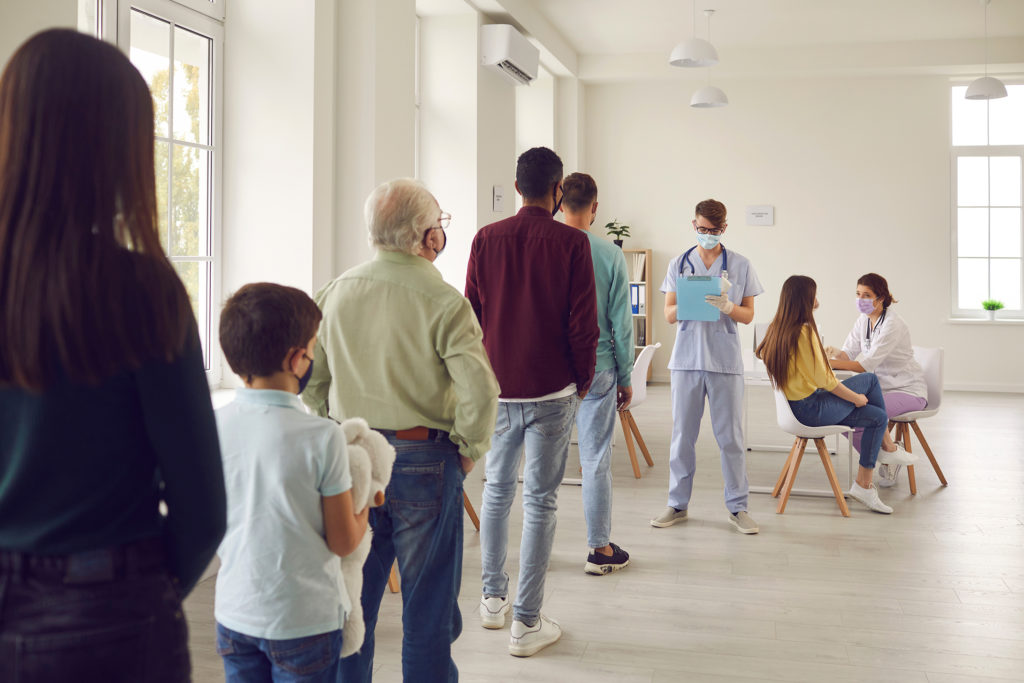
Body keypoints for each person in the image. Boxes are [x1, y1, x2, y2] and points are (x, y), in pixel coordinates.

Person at [0, 30, 226, 682]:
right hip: (110, 611)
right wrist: (138, 596)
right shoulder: (143, 291)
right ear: (113, 150)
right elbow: (203, 510)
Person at [304, 178, 500, 681]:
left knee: (354, 608)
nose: (442, 232)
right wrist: (468, 449)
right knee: (428, 612)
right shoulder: (444, 301)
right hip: (424, 461)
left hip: (354, 462)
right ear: (423, 236)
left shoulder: (334, 293)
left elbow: (313, 382)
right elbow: (480, 391)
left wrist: (337, 429)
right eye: (439, 223)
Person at [467, 146, 599, 657]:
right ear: (558, 189)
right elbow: (581, 322)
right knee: (541, 501)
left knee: (497, 491)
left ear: (517, 186)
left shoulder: (484, 239)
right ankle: (526, 623)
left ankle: (492, 600)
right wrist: (583, 379)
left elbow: (471, 318)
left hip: (498, 389)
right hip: (552, 390)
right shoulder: (572, 243)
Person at [214, 283, 370, 682]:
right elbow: (343, 541)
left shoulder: (213, 426)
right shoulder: (323, 437)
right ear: (297, 359)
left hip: (234, 614)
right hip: (306, 622)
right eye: (314, 347)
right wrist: (367, 495)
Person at [650, 199, 762, 534]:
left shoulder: (740, 265)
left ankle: (738, 508)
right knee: (683, 436)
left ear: (724, 228)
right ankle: (677, 504)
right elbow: (668, 314)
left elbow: (749, 314)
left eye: (713, 231)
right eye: (702, 230)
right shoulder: (678, 264)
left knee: (730, 437)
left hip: (724, 362)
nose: (707, 235)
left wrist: (728, 306)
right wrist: (689, 303)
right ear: (694, 225)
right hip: (686, 360)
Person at [756, 275, 898, 514]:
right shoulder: (804, 331)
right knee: (871, 383)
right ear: (805, 299)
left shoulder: (777, 329)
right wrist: (856, 398)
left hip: (795, 409)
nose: (817, 300)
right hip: (810, 411)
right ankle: (882, 459)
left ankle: (872, 472)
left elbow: (767, 356)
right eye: (814, 295)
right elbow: (826, 381)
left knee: (877, 416)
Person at [559, 172, 634, 575]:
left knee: (543, 466)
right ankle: (598, 549)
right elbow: (622, 322)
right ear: (595, 207)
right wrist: (626, 375)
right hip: (600, 369)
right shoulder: (609, 253)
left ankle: (538, 550)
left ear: (559, 201)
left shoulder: (546, 247)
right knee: (596, 460)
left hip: (551, 372)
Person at [826, 273, 923, 486]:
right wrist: (832, 353)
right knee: (843, 414)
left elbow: (864, 366)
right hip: (879, 388)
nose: (861, 300)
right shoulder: (863, 321)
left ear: (881, 298)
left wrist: (828, 364)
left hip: (906, 389)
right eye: (858, 294)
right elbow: (848, 356)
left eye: (867, 295)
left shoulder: (893, 324)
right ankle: (889, 453)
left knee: (866, 414)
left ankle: (888, 455)